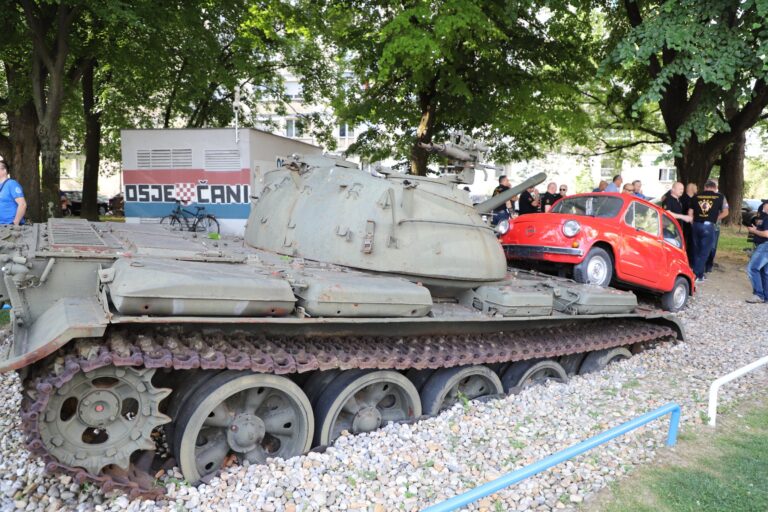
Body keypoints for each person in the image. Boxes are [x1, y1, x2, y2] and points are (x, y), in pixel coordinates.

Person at [688, 179, 728, 283]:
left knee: (696, 250)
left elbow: (690, 212)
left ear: (705, 187)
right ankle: (695, 275)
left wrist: (693, 223)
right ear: (715, 188)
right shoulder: (720, 197)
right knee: (704, 252)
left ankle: (700, 275)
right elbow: (726, 212)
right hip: (708, 226)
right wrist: (715, 219)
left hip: (696, 225)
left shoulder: (696, 196)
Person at [746, 201, 768, 303]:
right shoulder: (765, 217)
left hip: (765, 246)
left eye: (765, 204)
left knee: (753, 268)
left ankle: (758, 295)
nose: (763, 206)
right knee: (764, 272)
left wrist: (754, 231)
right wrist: (756, 229)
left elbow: (766, 234)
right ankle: (765, 296)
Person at [704, 182, 728, 275]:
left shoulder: (721, 197)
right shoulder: (702, 196)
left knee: (712, 247)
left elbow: (725, 212)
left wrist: (714, 219)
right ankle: (700, 266)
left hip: (714, 227)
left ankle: (708, 266)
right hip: (701, 225)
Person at [0, 161, 26, 226]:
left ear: (4, 170)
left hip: (10, 226)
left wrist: (15, 223)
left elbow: (22, 204)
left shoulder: (12, 184)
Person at [681, 183, 698, 264]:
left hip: (693, 222)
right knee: (684, 239)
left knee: (692, 240)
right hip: (684, 221)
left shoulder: (696, 198)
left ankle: (690, 257)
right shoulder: (683, 198)